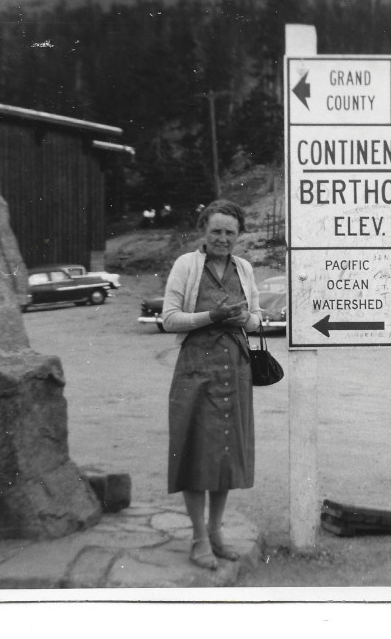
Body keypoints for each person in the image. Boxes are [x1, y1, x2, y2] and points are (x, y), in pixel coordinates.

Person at [161, 199, 263, 570]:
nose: (222, 238)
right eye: (216, 231)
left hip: (235, 370)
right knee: (193, 452)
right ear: (204, 230)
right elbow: (169, 319)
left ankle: (217, 532)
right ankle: (198, 538)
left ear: (239, 235)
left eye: (230, 233)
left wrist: (243, 318)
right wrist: (211, 316)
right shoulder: (186, 266)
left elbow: (255, 319)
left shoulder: (244, 268)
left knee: (225, 453)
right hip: (195, 369)